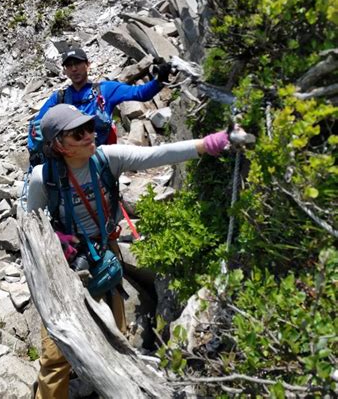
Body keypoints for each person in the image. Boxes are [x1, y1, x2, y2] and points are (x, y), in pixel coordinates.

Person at [28, 103, 237, 399]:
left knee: (116, 339)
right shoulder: (42, 178)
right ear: (59, 144)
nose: (90, 135)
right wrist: (59, 253)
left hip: (105, 252)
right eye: (78, 133)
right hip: (65, 264)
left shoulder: (105, 160)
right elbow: (33, 227)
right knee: (54, 355)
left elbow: (155, 155)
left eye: (89, 127)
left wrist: (210, 143)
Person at [27, 47, 172, 164]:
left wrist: (159, 80)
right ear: (65, 71)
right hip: (68, 161)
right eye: (69, 66)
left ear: (87, 65)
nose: (74, 69)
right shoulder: (58, 97)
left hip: (98, 159)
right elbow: (38, 125)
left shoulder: (106, 90)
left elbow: (140, 93)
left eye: (77, 63)